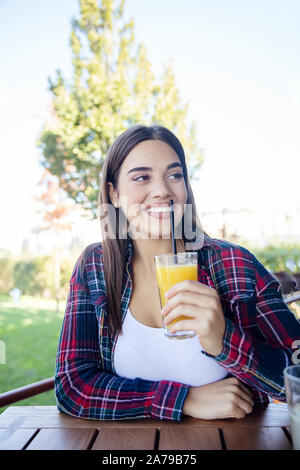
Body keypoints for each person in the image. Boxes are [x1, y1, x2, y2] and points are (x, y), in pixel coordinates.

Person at [54, 124, 300, 422]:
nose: (161, 190)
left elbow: (295, 375)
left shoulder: (234, 263)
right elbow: (72, 385)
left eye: (174, 175)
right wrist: (183, 399)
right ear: (113, 193)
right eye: (142, 177)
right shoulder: (95, 266)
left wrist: (225, 341)